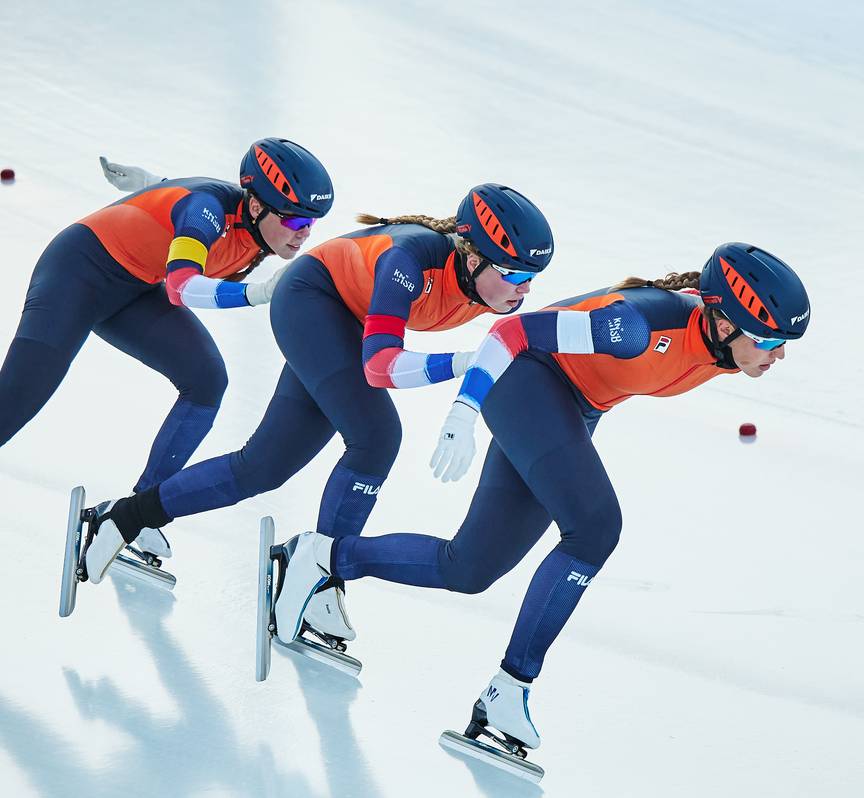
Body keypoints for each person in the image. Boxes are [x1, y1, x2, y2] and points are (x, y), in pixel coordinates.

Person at [267, 242, 811, 754]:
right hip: (525, 381)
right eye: (766, 340)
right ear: (722, 319)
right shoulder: (634, 325)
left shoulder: (718, 336)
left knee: (471, 567)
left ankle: (321, 557)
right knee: (595, 527)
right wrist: (465, 411)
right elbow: (510, 333)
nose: (778, 354)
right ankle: (511, 687)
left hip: (570, 407)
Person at [82, 183, 555, 641]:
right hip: (312, 301)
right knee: (376, 436)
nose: (525, 289)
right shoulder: (407, 264)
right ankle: (320, 575)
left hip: (345, 320)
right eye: (514, 274)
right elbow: (380, 364)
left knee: (264, 466)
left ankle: (124, 517)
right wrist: (464, 365)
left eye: (531, 277)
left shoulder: (482, 283)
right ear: (472, 259)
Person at [0, 138, 333, 556]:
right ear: (255, 206)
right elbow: (180, 284)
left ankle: (131, 516)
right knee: (15, 400)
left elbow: (186, 208)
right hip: (77, 274)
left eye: (312, 224)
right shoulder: (207, 213)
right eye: (296, 221)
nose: (304, 234)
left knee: (206, 379)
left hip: (134, 287)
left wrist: (153, 190)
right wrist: (258, 293)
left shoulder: (257, 227)